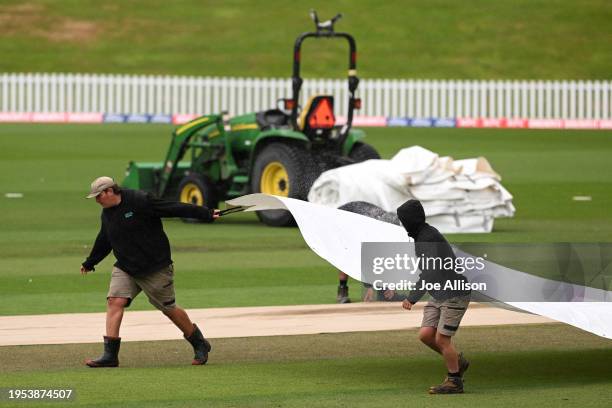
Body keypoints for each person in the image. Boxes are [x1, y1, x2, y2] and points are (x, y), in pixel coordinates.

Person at [80, 176, 220, 367]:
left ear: (110, 191)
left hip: (155, 267)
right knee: (115, 301)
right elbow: (105, 238)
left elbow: (173, 207)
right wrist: (90, 262)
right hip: (126, 267)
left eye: (98, 196)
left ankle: (199, 343)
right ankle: (110, 356)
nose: (97, 200)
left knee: (169, 309)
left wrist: (206, 213)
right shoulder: (106, 213)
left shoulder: (140, 200)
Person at [397, 199, 471, 394]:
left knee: (442, 339)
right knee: (426, 335)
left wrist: (412, 297)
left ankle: (455, 382)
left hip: (454, 293)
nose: (402, 224)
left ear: (410, 221)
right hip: (439, 293)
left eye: (403, 220)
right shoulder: (422, 235)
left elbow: (429, 272)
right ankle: (456, 361)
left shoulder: (428, 238)